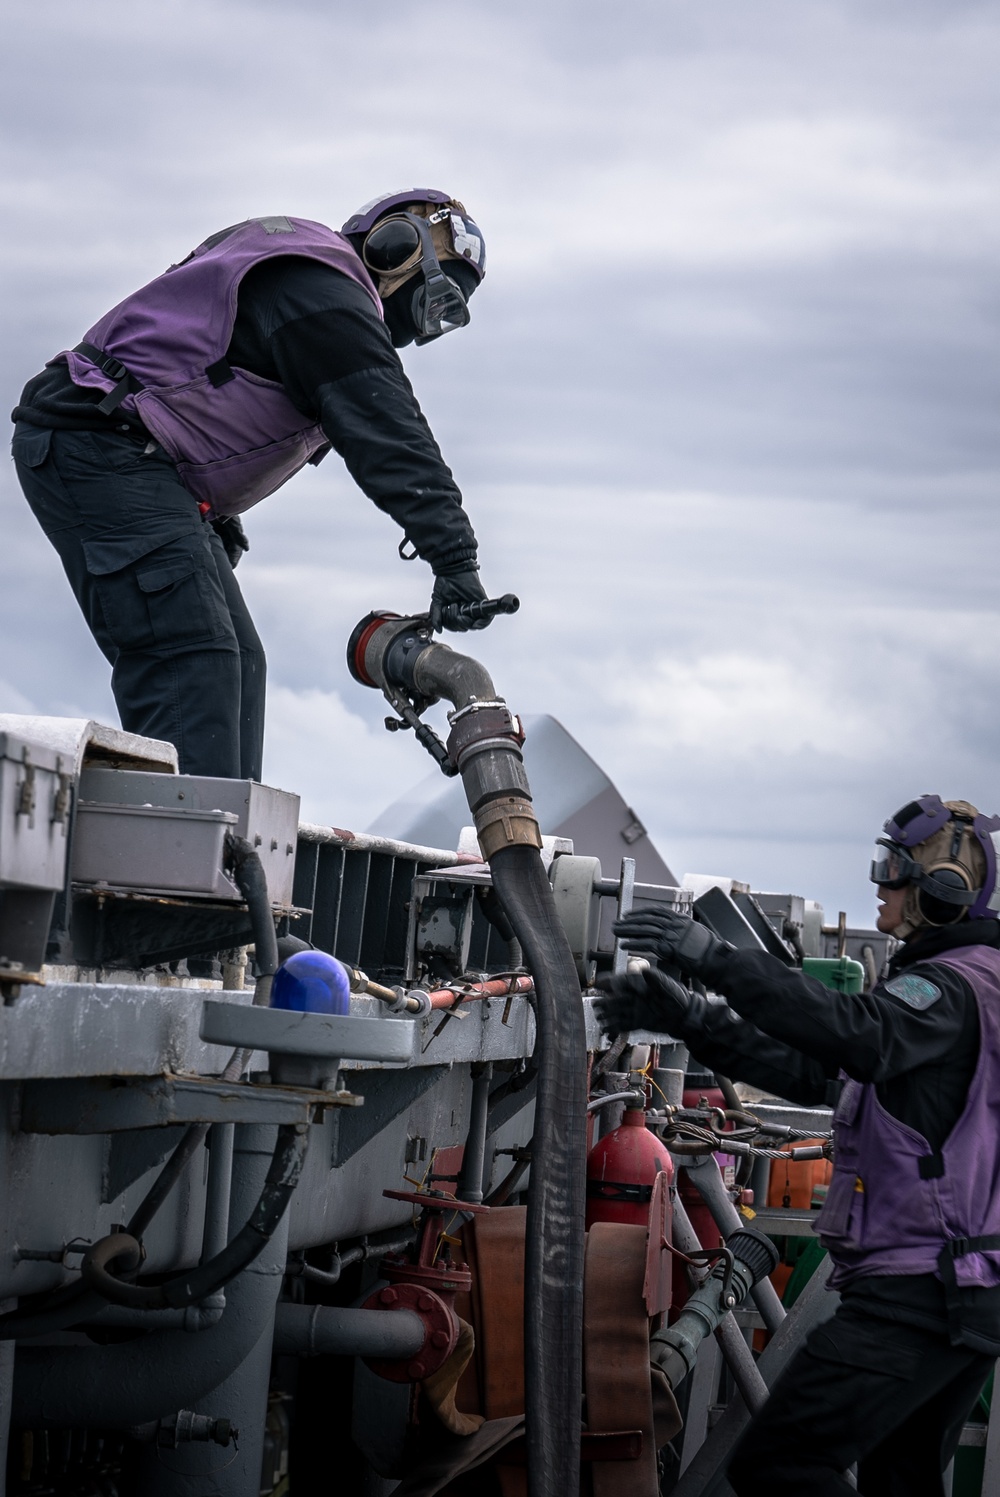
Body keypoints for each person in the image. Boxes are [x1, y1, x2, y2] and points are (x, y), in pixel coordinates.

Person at [10, 191, 494, 780]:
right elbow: (386, 430)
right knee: (193, 657)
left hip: (133, 456)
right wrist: (454, 555)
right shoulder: (323, 293)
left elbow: (195, 385)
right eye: (438, 292)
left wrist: (213, 514)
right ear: (396, 248)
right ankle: (181, 860)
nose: (425, 325)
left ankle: (226, 849)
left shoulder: (320, 295)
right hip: (96, 442)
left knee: (238, 658)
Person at [595, 795, 1000, 1497]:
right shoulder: (960, 987)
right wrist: (695, 1019)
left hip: (922, 1294)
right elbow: (816, 1070)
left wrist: (713, 959)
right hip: (957, 1289)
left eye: (893, 869)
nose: (878, 883)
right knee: (899, 1478)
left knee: (781, 1463)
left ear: (942, 893)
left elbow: (855, 1031)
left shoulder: (953, 989)